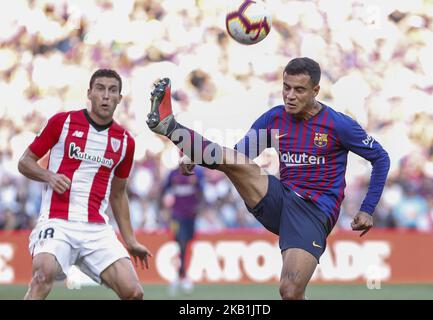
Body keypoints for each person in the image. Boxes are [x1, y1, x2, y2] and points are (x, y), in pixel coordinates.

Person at [146, 57, 390, 300]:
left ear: (316, 91)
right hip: (279, 198)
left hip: (314, 212)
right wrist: (198, 154)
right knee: (236, 163)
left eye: (299, 90)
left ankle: (174, 130)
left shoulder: (338, 125)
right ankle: (169, 126)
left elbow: (381, 158)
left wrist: (367, 208)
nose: (290, 95)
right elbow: (239, 155)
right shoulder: (274, 119)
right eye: (286, 87)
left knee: (290, 292)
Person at [18, 69, 152, 300]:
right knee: (42, 275)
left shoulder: (125, 142)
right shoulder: (63, 122)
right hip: (57, 222)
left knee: (134, 293)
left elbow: (118, 195)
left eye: (113, 91)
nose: (106, 96)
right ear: (89, 93)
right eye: (100, 89)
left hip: (96, 230)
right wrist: (49, 175)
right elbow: (24, 162)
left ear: (120, 98)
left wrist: (130, 240)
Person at [160, 164, 204, 296]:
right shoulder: (173, 173)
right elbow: (164, 190)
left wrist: (199, 206)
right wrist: (163, 206)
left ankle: (180, 275)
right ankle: (182, 275)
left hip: (191, 214)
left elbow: (202, 190)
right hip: (176, 214)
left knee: (186, 242)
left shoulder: (197, 173)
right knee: (180, 240)